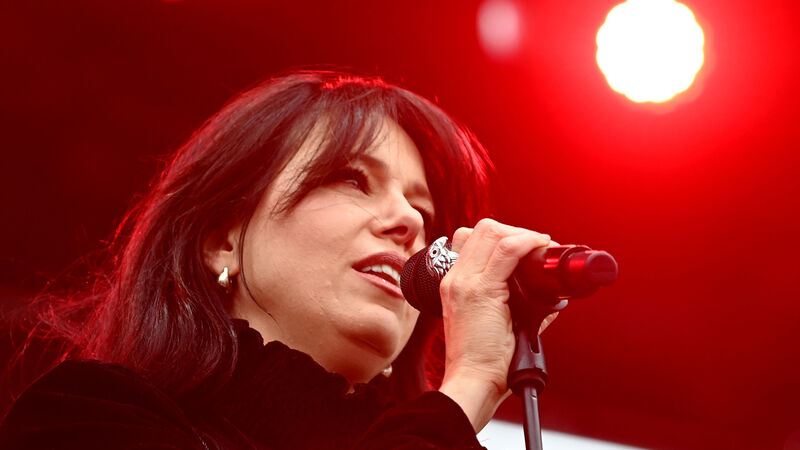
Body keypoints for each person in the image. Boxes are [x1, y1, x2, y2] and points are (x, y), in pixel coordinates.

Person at [0, 70, 556, 448]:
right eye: (352, 179)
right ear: (222, 239)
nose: (409, 222)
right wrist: (470, 385)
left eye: (423, 210)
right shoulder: (84, 416)